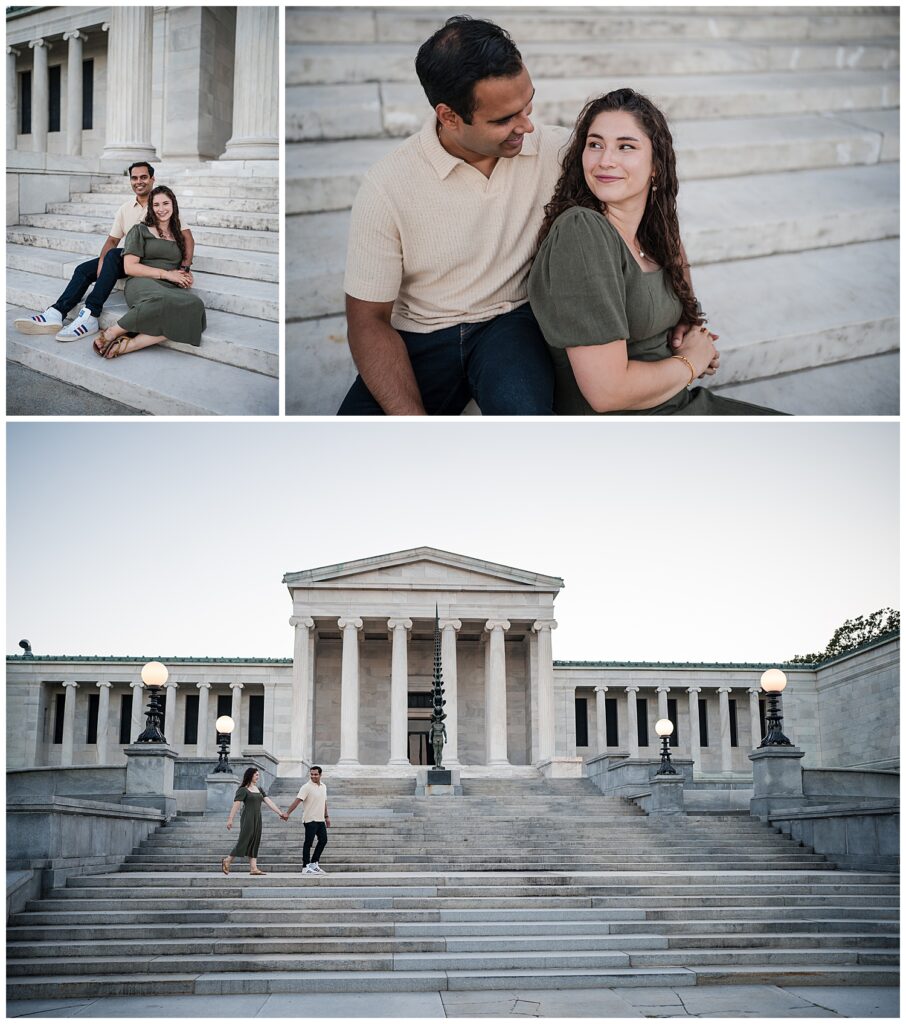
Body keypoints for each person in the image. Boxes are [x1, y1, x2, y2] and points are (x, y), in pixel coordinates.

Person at [338, 16, 570, 416]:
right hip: (421, 333)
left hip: (511, 323)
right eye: (503, 119)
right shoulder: (386, 186)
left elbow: (646, 208)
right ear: (448, 116)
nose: (527, 125)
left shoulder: (560, 150)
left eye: (527, 104)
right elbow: (368, 320)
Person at [527, 89, 780, 415]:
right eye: (595, 144)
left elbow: (688, 314)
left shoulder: (655, 234)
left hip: (679, 405)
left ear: (656, 166)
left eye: (626, 146)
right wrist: (691, 360)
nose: (606, 159)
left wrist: (692, 333)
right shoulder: (582, 231)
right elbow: (608, 393)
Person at [12, 162, 190, 342]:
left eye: (143, 177)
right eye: (134, 178)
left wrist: (185, 267)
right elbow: (112, 240)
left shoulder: (162, 204)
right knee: (84, 269)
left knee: (113, 256)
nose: (139, 181)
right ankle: (56, 312)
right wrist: (101, 263)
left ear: (152, 179)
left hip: (151, 260)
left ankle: (91, 315)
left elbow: (187, 238)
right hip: (131, 257)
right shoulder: (125, 208)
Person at [93, 186, 205, 358]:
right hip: (142, 280)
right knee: (161, 301)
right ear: (151, 208)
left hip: (169, 285)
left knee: (195, 305)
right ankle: (113, 332)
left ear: (173, 205)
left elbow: (179, 264)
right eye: (156, 205)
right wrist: (167, 274)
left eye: (166, 203)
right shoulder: (139, 230)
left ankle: (130, 345)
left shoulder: (178, 235)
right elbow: (130, 267)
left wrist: (185, 274)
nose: (161, 209)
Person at [221, 767, 286, 876]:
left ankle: (253, 868)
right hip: (248, 818)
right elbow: (236, 804)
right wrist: (230, 819)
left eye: (258, 775)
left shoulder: (259, 789)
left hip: (257, 817)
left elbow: (268, 801)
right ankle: (228, 860)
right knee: (244, 839)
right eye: (256, 775)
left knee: (255, 840)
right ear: (250, 775)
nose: (258, 777)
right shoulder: (243, 789)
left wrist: (280, 813)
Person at [284, 765, 330, 875]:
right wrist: (287, 813)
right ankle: (305, 867)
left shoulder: (323, 786)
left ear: (320, 775)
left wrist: (327, 816)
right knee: (308, 843)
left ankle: (314, 864)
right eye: (312, 774)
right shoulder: (306, 787)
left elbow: (324, 802)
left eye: (316, 774)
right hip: (310, 820)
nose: (313, 776)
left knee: (323, 840)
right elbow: (297, 801)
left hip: (320, 819)